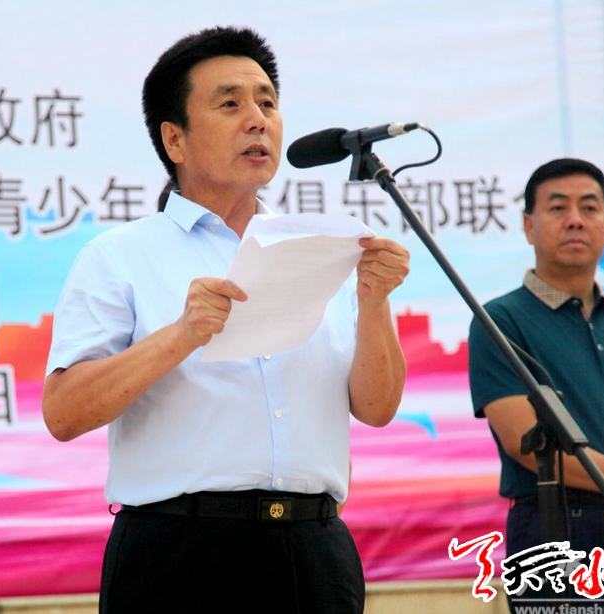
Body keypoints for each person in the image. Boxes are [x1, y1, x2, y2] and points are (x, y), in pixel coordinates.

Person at [42, 26, 410, 614]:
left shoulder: (322, 248)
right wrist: (181, 335)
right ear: (175, 139)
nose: (258, 120)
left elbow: (377, 408)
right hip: (181, 555)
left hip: (315, 550)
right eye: (230, 104)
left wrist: (374, 301)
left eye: (267, 102)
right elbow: (64, 413)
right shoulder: (119, 255)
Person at [468, 158, 604, 610]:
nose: (575, 220)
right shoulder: (500, 321)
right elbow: (522, 441)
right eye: (557, 208)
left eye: (589, 207)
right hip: (558, 531)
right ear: (528, 226)